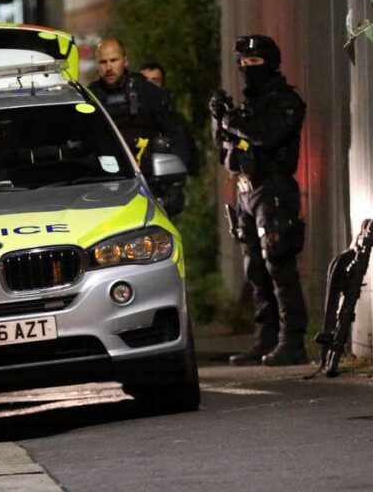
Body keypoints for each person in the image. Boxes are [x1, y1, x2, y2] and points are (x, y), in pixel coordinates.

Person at [211, 35, 308, 367]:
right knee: (255, 270)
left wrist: (231, 122)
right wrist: (220, 122)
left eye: (254, 62)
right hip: (247, 191)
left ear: (270, 62)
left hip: (274, 190)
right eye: (243, 63)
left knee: (278, 265)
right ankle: (266, 339)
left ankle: (292, 341)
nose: (247, 69)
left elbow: (265, 135)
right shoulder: (247, 107)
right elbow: (228, 156)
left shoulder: (285, 101)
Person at [88, 38, 197, 215]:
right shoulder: (91, 97)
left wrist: (177, 180)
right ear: (97, 65)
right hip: (109, 184)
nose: (109, 67)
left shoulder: (145, 91)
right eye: (103, 62)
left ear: (126, 61)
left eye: (114, 60)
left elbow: (176, 132)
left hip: (150, 181)